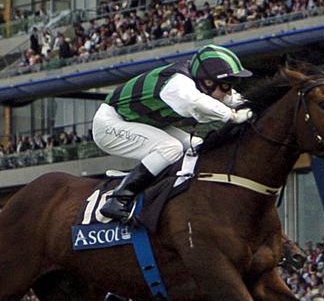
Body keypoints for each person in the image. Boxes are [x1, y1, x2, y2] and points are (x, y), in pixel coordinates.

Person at [92, 45, 254, 221]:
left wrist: (255, 105)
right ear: (207, 82)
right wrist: (232, 116)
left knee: (197, 145)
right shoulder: (177, 84)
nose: (228, 92)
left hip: (138, 121)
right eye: (225, 86)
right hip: (109, 124)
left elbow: (234, 99)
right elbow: (196, 103)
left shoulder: (202, 82)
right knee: (171, 148)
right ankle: (118, 199)